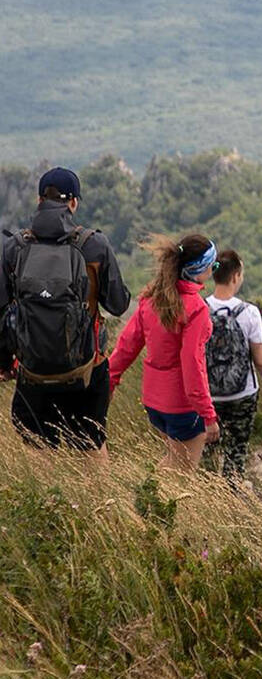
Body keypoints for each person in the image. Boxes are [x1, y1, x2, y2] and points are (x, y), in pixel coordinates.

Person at [0, 167, 131, 460]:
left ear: (39, 200)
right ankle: (100, 505)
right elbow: (118, 305)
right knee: (91, 446)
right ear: (73, 203)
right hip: (85, 370)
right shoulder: (94, 245)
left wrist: (6, 362)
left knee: (37, 451)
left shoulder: (15, 247)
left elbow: (1, 308)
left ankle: (43, 507)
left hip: (32, 370)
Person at [109, 234, 220, 473]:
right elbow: (192, 363)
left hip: (154, 403)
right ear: (199, 270)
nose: (213, 270)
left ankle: (145, 501)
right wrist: (208, 414)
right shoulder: (196, 308)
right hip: (183, 405)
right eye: (213, 265)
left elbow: (127, 345)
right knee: (180, 474)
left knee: (172, 461)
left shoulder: (152, 299)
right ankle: (143, 504)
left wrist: (109, 379)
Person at [205, 249, 262, 481]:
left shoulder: (200, 310)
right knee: (236, 452)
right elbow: (261, 359)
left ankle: (207, 498)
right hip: (242, 394)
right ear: (235, 276)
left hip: (207, 395)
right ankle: (231, 494)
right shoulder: (249, 312)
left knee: (207, 454)